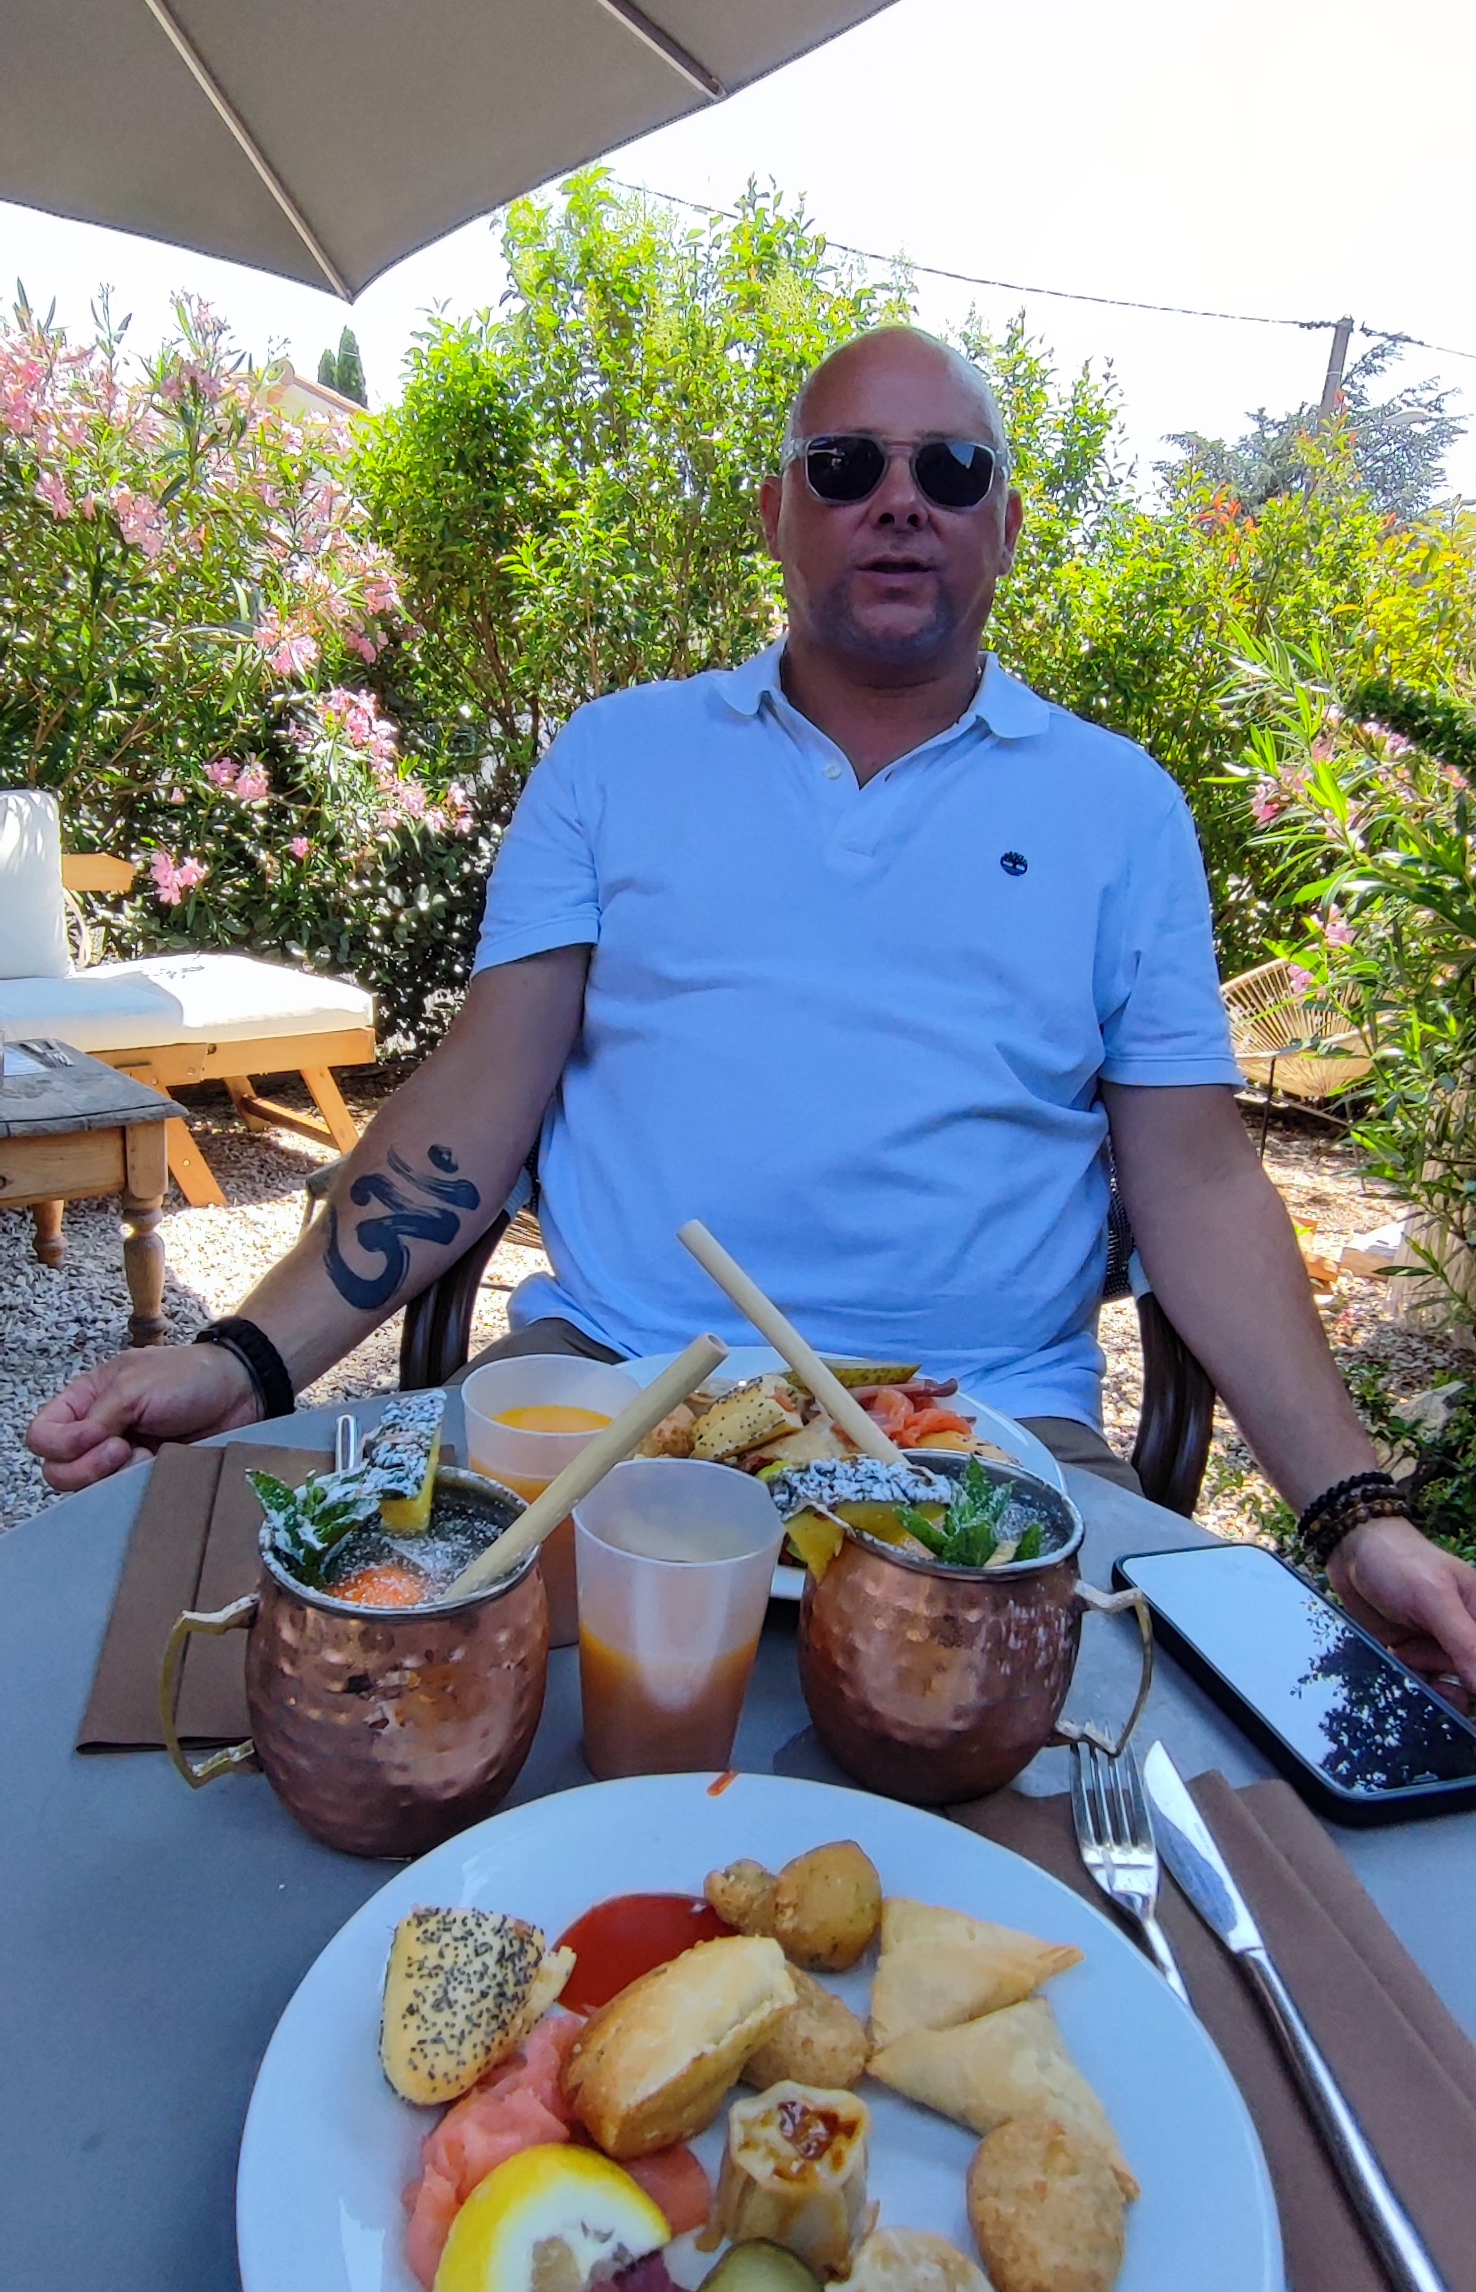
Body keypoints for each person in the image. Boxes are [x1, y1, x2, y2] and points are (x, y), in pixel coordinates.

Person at [27, 327, 1476, 1698]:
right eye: (846, 466)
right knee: (352, 1689)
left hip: (976, 1433)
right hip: (601, 1395)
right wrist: (244, 1360)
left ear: (1007, 525)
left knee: (1089, 1766)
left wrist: (1358, 1518)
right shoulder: (618, 759)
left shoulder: (1119, 810)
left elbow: (1200, 1182)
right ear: (778, 514)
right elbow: (474, 1102)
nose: (899, 501)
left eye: (949, 469)